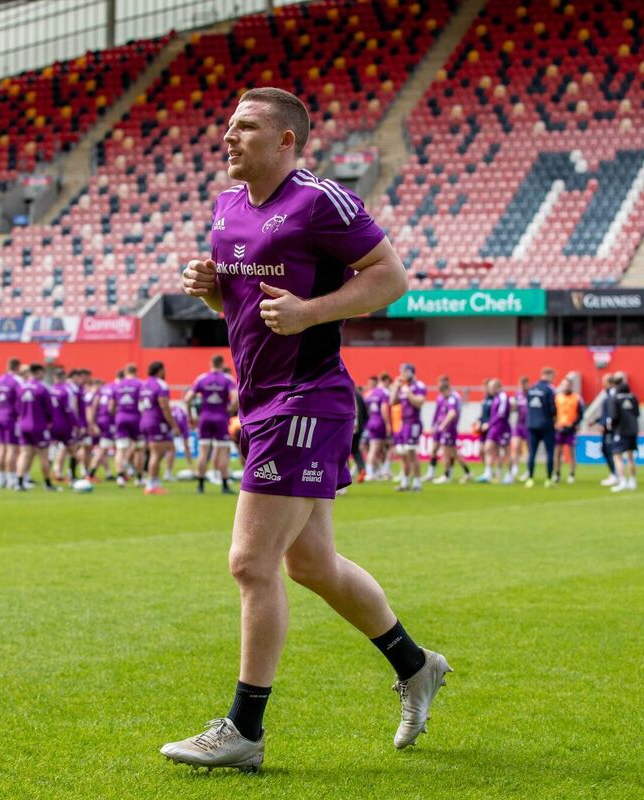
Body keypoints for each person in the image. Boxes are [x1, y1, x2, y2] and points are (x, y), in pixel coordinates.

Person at [164, 87, 450, 772]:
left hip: (306, 398)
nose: (229, 137)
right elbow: (248, 306)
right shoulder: (227, 207)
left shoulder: (321, 200)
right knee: (310, 563)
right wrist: (211, 289)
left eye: (247, 127)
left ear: (287, 140)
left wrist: (312, 311)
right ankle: (417, 666)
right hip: (261, 400)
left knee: (250, 562)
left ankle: (244, 730)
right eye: (229, 126)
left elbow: (390, 279)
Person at [184, 354, 238, 494]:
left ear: (210, 363)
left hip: (205, 418)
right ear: (222, 364)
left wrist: (191, 415)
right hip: (221, 418)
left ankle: (200, 485)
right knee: (222, 452)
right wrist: (230, 409)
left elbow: (188, 398)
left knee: (203, 452)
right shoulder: (227, 379)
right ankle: (225, 485)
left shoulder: (202, 378)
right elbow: (236, 398)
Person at [139, 361, 181, 495]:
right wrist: (173, 425)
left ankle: (155, 483)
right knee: (156, 454)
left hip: (145, 420)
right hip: (157, 422)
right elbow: (164, 406)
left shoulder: (144, 384)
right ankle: (151, 485)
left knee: (163, 449)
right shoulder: (160, 384)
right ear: (160, 370)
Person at [16, 363, 57, 491]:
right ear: (39, 372)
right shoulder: (42, 388)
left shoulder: (21, 387)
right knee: (43, 455)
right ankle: (47, 483)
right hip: (38, 425)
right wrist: (50, 421)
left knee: (24, 453)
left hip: (23, 425)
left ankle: (20, 482)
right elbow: (49, 409)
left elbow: (17, 407)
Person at [390, 363, 426, 492]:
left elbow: (420, 402)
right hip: (403, 423)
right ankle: (405, 482)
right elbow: (392, 402)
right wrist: (396, 387)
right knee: (403, 454)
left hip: (414, 422)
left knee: (411, 452)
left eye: (404, 371)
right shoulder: (403, 387)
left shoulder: (418, 386)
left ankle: (417, 482)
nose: (402, 374)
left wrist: (409, 393)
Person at [0, 358, 24, 490]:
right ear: (17, 367)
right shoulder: (17, 381)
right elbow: (22, 399)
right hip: (12, 418)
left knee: (0, 449)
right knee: (12, 449)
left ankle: (0, 478)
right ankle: (11, 480)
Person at [430, 376, 470, 484]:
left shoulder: (452, 398)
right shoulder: (447, 398)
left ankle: (446, 475)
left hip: (449, 429)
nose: (442, 395)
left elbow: (452, 413)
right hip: (447, 428)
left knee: (446, 453)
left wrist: (443, 425)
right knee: (454, 453)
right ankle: (467, 472)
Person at [606, 372, 640, 493]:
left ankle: (622, 481)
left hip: (620, 431)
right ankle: (632, 481)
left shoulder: (614, 399)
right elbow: (637, 414)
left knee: (617, 457)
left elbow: (613, 416)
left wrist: (611, 426)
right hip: (633, 430)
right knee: (631, 457)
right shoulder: (633, 397)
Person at [524, 367, 557, 488]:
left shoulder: (531, 388)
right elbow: (552, 408)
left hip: (531, 424)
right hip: (546, 425)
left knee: (532, 452)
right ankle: (548, 479)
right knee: (549, 452)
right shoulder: (549, 389)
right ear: (548, 375)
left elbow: (528, 405)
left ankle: (530, 478)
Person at [584, 373, 619, 486]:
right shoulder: (608, 394)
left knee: (609, 451)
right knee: (606, 450)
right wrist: (596, 421)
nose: (602, 383)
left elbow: (611, 413)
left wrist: (605, 425)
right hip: (608, 427)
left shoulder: (612, 395)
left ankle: (615, 474)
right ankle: (614, 474)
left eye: (604, 381)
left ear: (608, 382)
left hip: (611, 429)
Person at [113, 364, 144, 487]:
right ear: (136, 372)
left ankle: (120, 477)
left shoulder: (118, 385)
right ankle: (139, 478)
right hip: (136, 417)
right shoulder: (140, 384)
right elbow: (143, 402)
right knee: (139, 449)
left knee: (120, 449)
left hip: (121, 417)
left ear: (125, 372)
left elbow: (111, 405)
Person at [477, 378, 512, 484]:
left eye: (491, 387)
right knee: (489, 449)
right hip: (494, 428)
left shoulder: (503, 397)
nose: (489, 389)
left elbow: (500, 414)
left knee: (506, 453)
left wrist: (489, 424)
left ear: (497, 387)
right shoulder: (495, 398)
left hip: (503, 428)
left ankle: (509, 474)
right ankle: (491, 473)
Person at [553, 377, 584, 484]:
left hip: (571, 429)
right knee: (557, 452)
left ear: (570, 386)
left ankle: (571, 474)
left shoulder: (576, 398)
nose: (565, 386)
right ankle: (557, 474)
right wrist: (555, 423)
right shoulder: (557, 397)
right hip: (560, 428)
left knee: (571, 453)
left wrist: (575, 424)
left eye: (567, 385)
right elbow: (553, 412)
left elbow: (581, 414)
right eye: (563, 384)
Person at [88, 374, 118, 482]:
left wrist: (93, 423)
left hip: (100, 420)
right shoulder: (114, 389)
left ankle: (110, 473)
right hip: (108, 422)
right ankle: (90, 473)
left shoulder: (101, 390)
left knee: (104, 448)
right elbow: (111, 407)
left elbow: (94, 406)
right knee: (103, 448)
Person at [364, 374, 392, 481]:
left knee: (376, 448)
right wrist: (387, 424)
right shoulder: (384, 393)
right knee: (378, 448)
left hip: (371, 421)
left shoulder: (371, 393)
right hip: (380, 422)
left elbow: (366, 407)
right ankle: (372, 472)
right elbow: (384, 408)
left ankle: (377, 471)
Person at [510, 376, 530, 481]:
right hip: (518, 424)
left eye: (524, 384)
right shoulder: (518, 394)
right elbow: (514, 408)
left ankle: (528, 470)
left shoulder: (531, 394)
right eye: (521, 384)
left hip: (528, 425)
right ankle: (514, 468)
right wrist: (513, 406)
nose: (522, 387)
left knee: (528, 448)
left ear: (528, 384)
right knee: (516, 446)